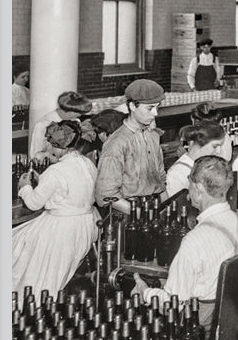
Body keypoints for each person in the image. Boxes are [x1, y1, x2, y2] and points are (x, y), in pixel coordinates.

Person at [134, 156, 238, 331]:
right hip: (231, 324)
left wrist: (145, 292)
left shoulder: (194, 240)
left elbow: (172, 305)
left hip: (198, 327)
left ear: (198, 189)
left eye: (189, 182)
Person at [12, 120, 100, 299]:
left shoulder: (56, 171)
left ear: (57, 146)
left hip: (62, 229)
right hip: (87, 225)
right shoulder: (87, 163)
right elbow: (73, 189)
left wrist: (25, 186)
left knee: (15, 243)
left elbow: (34, 203)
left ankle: (26, 299)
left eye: (50, 144)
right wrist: (43, 180)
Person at [94, 79, 165, 216]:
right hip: (127, 214)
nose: (155, 113)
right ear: (132, 106)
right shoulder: (117, 143)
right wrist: (141, 216)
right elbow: (105, 194)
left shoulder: (153, 136)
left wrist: (164, 211)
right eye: (150, 108)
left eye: (157, 107)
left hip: (153, 208)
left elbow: (160, 181)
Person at [29, 90, 93, 161]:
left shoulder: (74, 120)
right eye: (78, 113)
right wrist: (56, 159)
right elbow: (35, 155)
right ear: (69, 110)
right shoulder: (43, 124)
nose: (80, 115)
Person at [166, 122, 226, 197]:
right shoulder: (177, 173)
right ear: (198, 144)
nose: (218, 151)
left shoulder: (208, 164)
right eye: (215, 146)